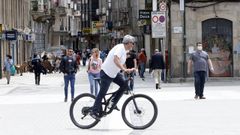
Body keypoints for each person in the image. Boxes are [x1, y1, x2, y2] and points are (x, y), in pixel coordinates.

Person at [90, 35, 136, 120]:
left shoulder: (125, 51)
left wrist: (127, 69)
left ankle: (112, 103)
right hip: (106, 73)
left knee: (125, 86)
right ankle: (94, 111)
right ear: (128, 43)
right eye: (132, 43)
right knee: (102, 93)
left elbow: (121, 63)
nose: (133, 45)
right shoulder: (120, 47)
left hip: (114, 74)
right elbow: (116, 59)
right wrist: (124, 69)